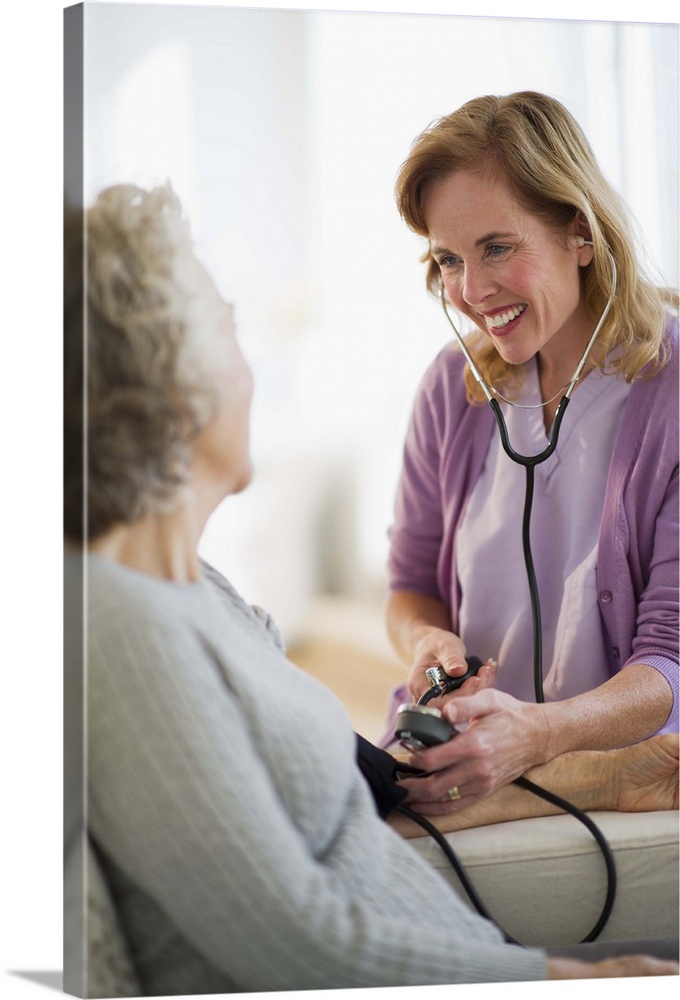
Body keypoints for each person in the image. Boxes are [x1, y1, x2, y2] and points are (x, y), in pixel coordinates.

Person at [63, 182, 678, 996]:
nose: (468, 287)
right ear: (170, 380)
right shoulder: (123, 632)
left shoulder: (194, 591)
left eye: (496, 246)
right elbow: (293, 943)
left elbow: (327, 801)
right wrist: (560, 977)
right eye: (232, 328)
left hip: (466, 936)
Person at [383, 91, 679, 816]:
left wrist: (538, 736)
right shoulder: (451, 391)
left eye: (497, 247)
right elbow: (409, 583)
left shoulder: (670, 390)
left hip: (616, 772)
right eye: (449, 258)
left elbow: (672, 657)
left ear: (580, 231)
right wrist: (428, 641)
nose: (471, 290)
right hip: (464, 754)